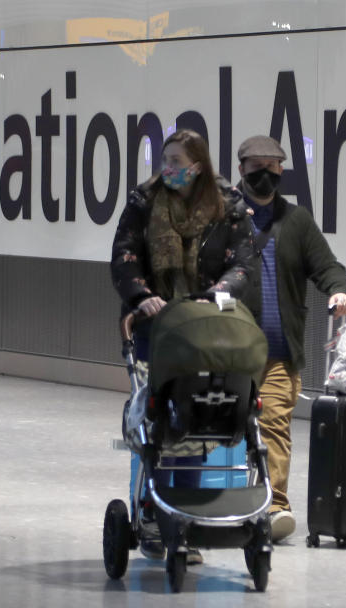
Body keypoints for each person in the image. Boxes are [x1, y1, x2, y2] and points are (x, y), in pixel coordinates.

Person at [110, 128, 260, 563]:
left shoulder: (228, 205)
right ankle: (152, 514)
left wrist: (221, 291)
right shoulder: (143, 202)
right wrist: (141, 296)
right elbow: (124, 256)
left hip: (206, 328)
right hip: (156, 328)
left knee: (198, 419)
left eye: (178, 161)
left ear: (199, 166)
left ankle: (186, 515)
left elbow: (244, 262)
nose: (169, 169)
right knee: (158, 420)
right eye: (166, 159)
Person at [235, 135, 346, 543]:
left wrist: (338, 290)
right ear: (242, 170)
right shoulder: (222, 216)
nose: (266, 175)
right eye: (257, 167)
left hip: (279, 353)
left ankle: (274, 505)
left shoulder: (297, 220)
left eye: (273, 167)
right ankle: (215, 500)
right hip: (226, 352)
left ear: (283, 170)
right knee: (216, 425)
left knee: (273, 427)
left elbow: (327, 265)